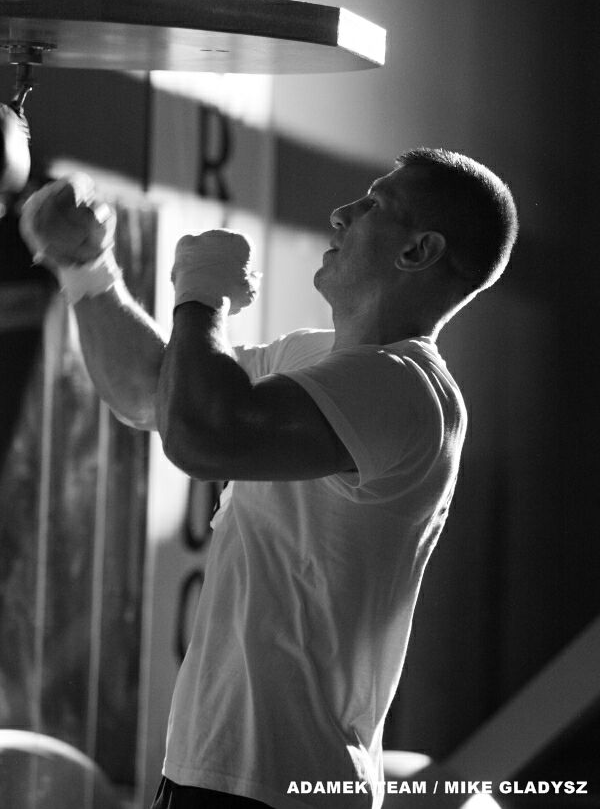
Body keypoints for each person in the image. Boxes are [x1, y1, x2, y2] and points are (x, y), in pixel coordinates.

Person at [19, 148, 518, 809]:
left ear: (417, 250)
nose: (341, 213)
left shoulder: (407, 389)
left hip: (280, 785)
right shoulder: (315, 357)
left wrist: (203, 295)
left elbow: (206, 435)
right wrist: (87, 267)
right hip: (218, 771)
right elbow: (151, 395)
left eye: (374, 204)